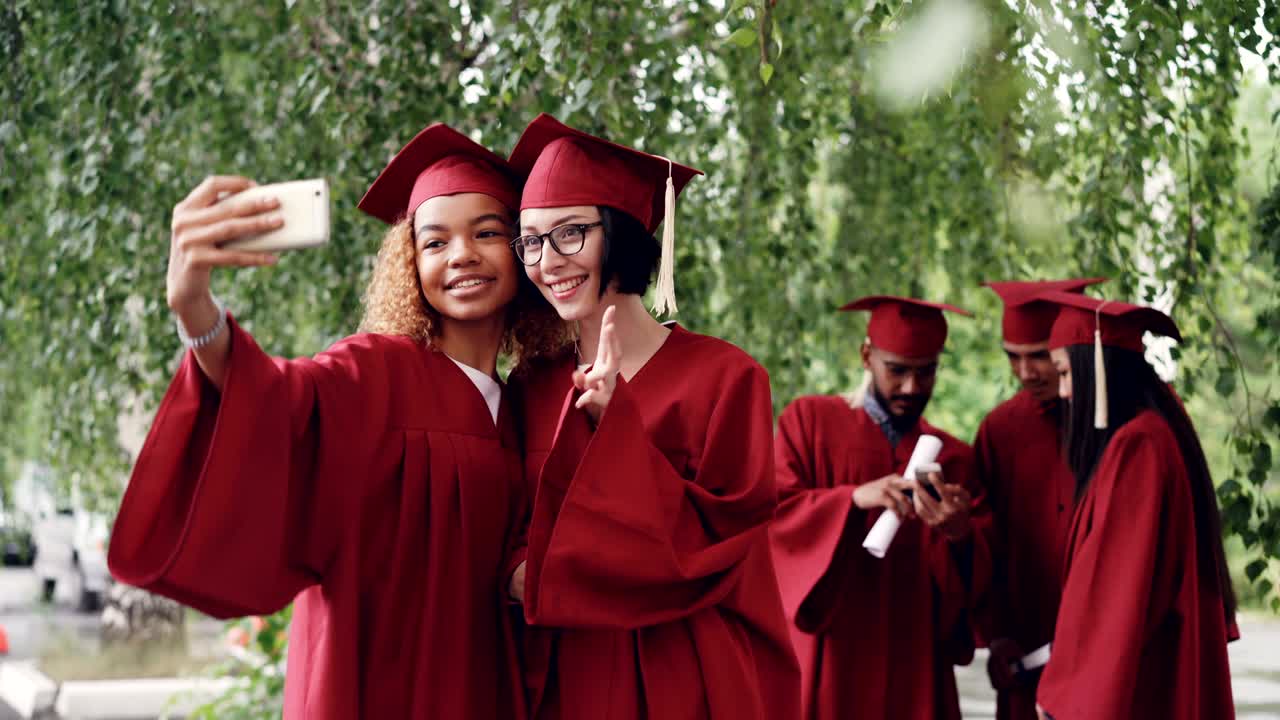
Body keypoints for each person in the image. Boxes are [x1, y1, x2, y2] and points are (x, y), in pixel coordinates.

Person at [108, 123, 560, 719]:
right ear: (410, 265)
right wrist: (197, 311)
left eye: (487, 233)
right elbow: (274, 401)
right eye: (434, 242)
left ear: (522, 251)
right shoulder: (373, 372)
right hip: (368, 684)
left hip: (477, 689)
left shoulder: (525, 408)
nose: (461, 256)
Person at [503, 113, 801, 720]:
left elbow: (718, 542)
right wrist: (523, 575)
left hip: (686, 678)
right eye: (530, 240)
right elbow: (508, 532)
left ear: (624, 231)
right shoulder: (531, 386)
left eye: (570, 233)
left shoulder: (728, 379)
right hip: (566, 681)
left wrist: (618, 424)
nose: (547, 261)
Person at [769, 295, 991, 720]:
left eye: (926, 372)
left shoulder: (956, 459)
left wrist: (960, 535)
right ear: (867, 356)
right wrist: (850, 500)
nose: (912, 387)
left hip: (916, 664)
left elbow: (978, 585)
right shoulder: (809, 423)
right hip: (832, 657)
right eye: (898, 370)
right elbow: (774, 519)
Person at [1034, 291, 1237, 720]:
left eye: (1066, 374)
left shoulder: (1139, 446)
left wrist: (1069, 694)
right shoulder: (1153, 432)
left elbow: (1117, 589)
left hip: (1136, 685)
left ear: (1098, 372)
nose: (1063, 391)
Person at [972, 278, 1104, 720]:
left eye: (1040, 356)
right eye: (1014, 357)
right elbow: (989, 542)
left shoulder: (1120, 424)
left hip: (1107, 636)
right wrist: (995, 634)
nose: (1026, 373)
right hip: (1028, 646)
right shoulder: (1001, 430)